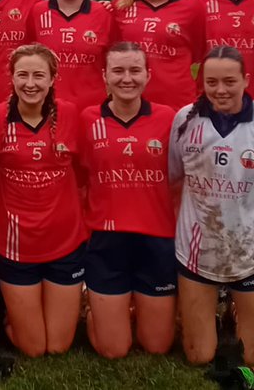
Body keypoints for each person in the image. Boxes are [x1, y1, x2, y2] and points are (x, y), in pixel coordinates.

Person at [170, 47, 254, 366]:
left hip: (251, 250)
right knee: (199, 356)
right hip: (197, 251)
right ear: (202, 82)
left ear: (245, 80)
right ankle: (212, 306)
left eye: (229, 81)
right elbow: (172, 178)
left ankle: (236, 306)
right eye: (211, 82)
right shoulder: (184, 120)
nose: (220, 90)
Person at [0, 44, 86, 357]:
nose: (30, 83)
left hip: (65, 242)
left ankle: (88, 303)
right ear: (11, 78)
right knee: (33, 348)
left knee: (56, 347)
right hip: (17, 245)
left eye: (39, 75)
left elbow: (84, 175)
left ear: (53, 78)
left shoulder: (70, 115)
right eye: (22, 75)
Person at [78, 42, 178, 359]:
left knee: (157, 346)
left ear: (148, 75)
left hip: (157, 239)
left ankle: (135, 308)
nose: (127, 78)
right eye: (118, 71)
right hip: (106, 240)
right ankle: (93, 308)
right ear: (104, 76)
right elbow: (79, 180)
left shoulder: (169, 118)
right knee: (114, 350)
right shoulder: (87, 119)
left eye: (135, 70)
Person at [110, 0, 204, 109]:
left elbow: (201, 57)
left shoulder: (193, 7)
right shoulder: (120, 6)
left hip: (179, 106)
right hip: (132, 108)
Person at [29, 0, 115, 111]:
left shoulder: (104, 14)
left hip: (93, 110)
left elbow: (115, 64)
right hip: (46, 110)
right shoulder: (37, 12)